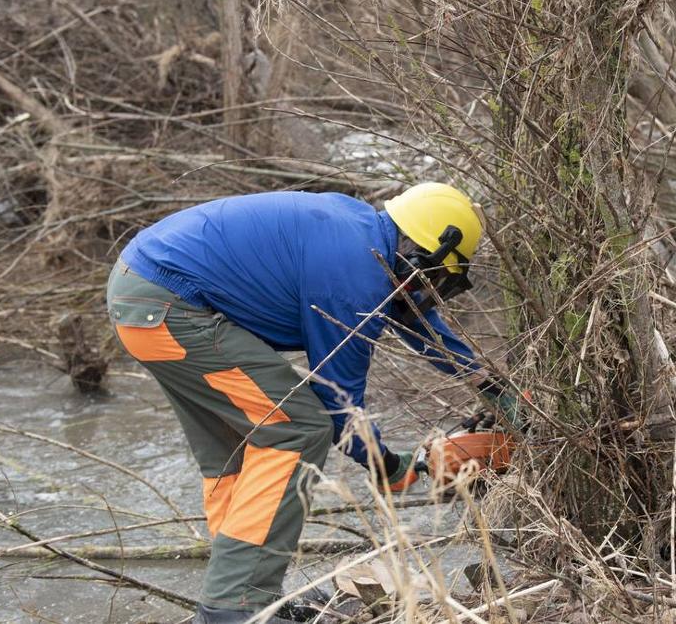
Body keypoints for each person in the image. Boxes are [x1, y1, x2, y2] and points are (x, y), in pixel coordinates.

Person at [105, 183, 519, 623]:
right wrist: (389, 468)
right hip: (171, 308)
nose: (433, 292)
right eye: (437, 279)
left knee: (238, 449)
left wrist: (492, 386)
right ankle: (236, 606)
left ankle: (242, 594)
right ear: (421, 257)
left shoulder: (363, 237)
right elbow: (338, 405)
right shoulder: (353, 279)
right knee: (299, 426)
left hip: (143, 299)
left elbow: (417, 321)